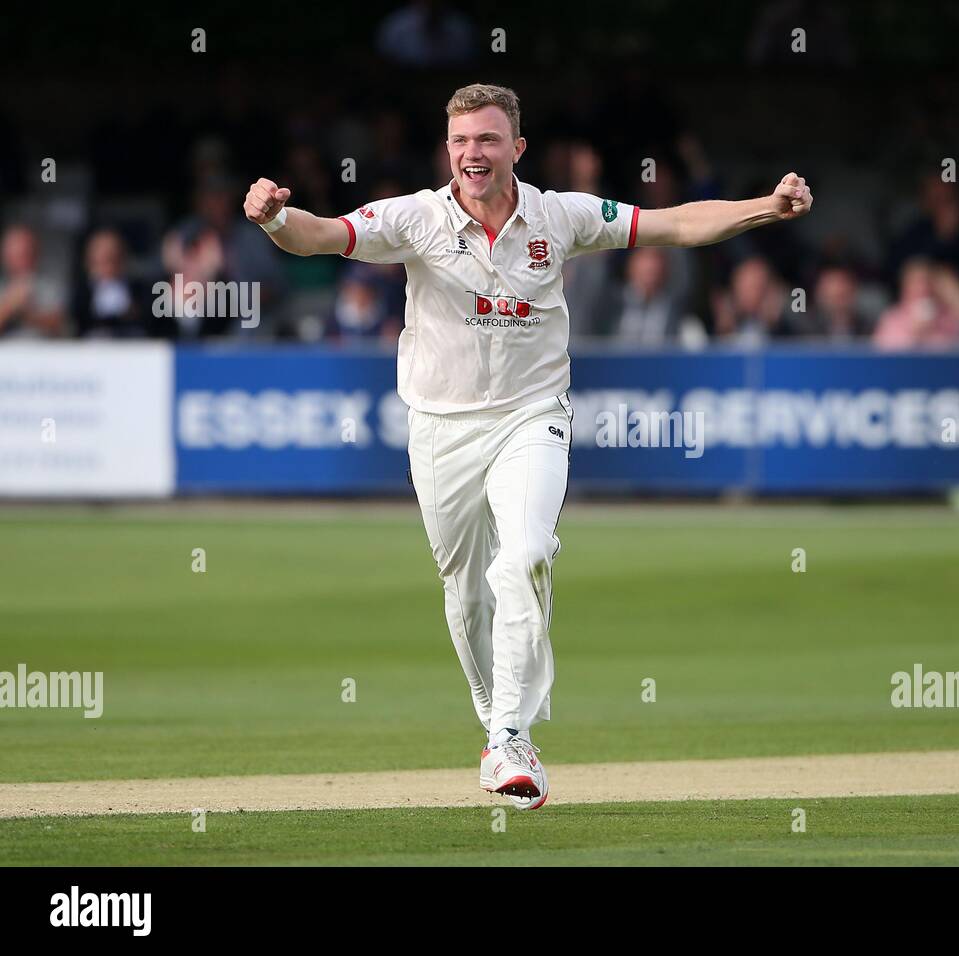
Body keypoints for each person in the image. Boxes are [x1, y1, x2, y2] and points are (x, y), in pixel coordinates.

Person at [243, 83, 812, 810]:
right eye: (459, 141)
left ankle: (512, 737)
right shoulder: (416, 218)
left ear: (516, 147)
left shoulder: (560, 214)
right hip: (441, 425)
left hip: (532, 415)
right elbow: (320, 235)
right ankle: (495, 725)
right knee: (465, 589)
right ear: (446, 150)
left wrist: (764, 206)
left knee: (527, 554)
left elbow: (671, 224)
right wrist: (275, 217)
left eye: (486, 140)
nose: (471, 154)